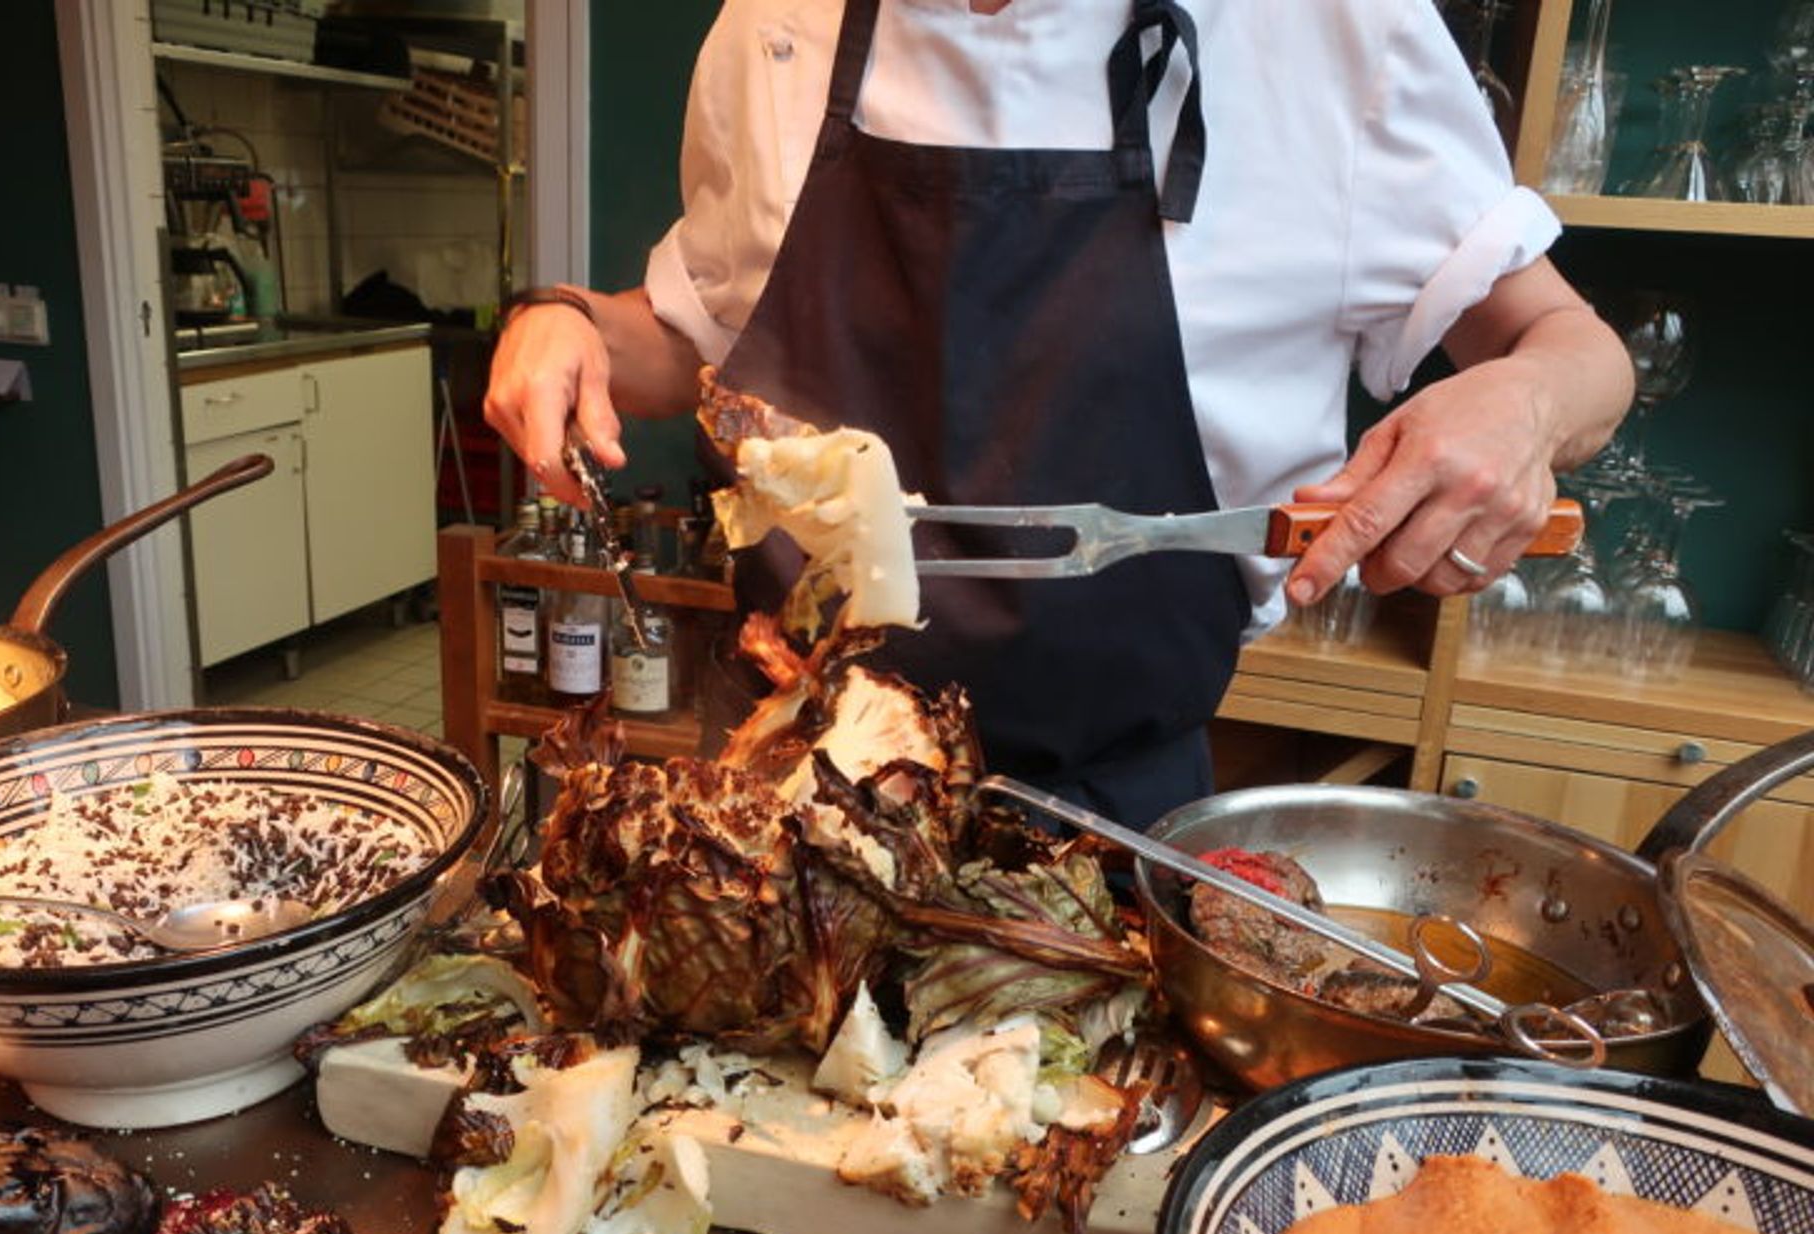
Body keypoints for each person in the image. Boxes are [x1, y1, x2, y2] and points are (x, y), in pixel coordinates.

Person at [483, 0, 1633, 829]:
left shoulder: (1326, 32)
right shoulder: (778, 27)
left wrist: (1523, 406)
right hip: (784, 797)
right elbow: (700, 337)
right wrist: (567, 317)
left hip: (1105, 828)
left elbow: (1577, 352)